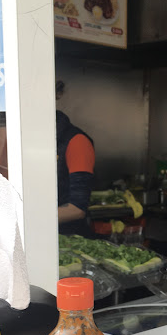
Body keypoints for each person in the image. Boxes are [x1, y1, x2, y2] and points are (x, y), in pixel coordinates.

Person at [56, 81, 95, 234]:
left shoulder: (77, 141)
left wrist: (28, 221)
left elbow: (77, 208)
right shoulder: (21, 139)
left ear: (57, 95)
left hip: (68, 240)